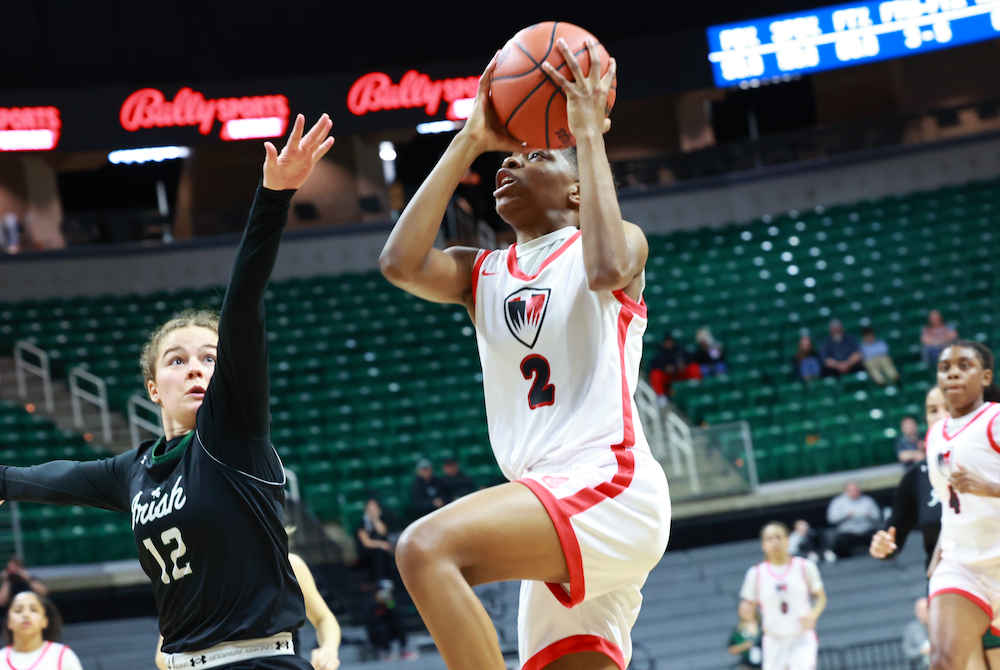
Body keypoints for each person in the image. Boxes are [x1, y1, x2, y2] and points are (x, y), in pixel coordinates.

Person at [0, 113, 335, 670]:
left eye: (211, 358)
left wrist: (273, 198)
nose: (197, 369)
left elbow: (244, 306)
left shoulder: (232, 436)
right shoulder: (130, 472)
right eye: (178, 361)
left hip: (260, 662)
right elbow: (31, 480)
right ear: (154, 388)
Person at [378, 41, 670, 670]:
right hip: (548, 497)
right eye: (507, 158)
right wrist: (468, 139)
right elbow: (398, 263)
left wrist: (587, 133)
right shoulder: (479, 273)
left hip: (607, 483)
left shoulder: (614, 242)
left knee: (424, 549)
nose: (510, 164)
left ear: (575, 192)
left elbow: (607, 266)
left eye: (536, 155)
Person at [922, 340, 1000, 670]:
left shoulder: (995, 420)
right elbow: (950, 503)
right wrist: (941, 550)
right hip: (963, 566)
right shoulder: (936, 434)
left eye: (963, 366)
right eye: (945, 368)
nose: (952, 373)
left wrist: (991, 488)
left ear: (984, 377)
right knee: (943, 662)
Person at [155, 552, 342, 670]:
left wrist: (328, 650)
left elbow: (324, 618)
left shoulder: (290, 563)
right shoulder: (199, 576)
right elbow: (161, 658)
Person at [872, 389, 947, 570]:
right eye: (933, 410)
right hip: (945, 582)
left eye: (950, 407)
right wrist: (883, 546)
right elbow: (893, 537)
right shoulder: (917, 475)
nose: (942, 416)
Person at [740, 522, 827, 670]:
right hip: (774, 639)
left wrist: (813, 615)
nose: (775, 542)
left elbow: (820, 597)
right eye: (769, 539)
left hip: (802, 636)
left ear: (788, 540)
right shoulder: (756, 574)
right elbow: (748, 606)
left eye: (778, 537)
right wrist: (750, 622)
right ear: (763, 545)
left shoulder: (805, 566)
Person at [0, 591, 81, 670]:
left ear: (45, 621)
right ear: (9, 622)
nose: (25, 614)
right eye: (18, 610)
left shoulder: (63, 656)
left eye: (33, 610)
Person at [827, 481, 881, 558]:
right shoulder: (838, 502)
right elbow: (831, 519)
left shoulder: (867, 501)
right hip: (848, 532)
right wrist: (845, 515)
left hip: (866, 530)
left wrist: (869, 515)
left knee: (879, 536)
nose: (855, 492)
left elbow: (877, 516)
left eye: (856, 490)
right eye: (852, 490)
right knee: (841, 541)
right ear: (846, 491)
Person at [649, 333, 702, 402]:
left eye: (670, 341)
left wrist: (684, 364)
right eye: (667, 341)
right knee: (655, 374)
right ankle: (661, 397)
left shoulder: (679, 349)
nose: (669, 343)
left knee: (693, 367)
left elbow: (691, 358)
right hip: (668, 376)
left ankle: (695, 387)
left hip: (681, 373)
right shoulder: (659, 352)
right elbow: (654, 364)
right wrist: (665, 368)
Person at [356, 498, 395, 587]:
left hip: (383, 549)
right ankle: (381, 579)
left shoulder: (382, 520)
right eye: (371, 508)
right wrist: (381, 544)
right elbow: (366, 542)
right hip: (367, 551)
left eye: (375, 508)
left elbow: (382, 531)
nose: (374, 510)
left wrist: (376, 519)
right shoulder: (361, 523)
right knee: (379, 551)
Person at [727, 600, 763, 670]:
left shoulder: (762, 626)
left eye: (747, 609)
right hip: (747, 666)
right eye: (742, 609)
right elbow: (731, 649)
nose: (744, 612)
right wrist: (744, 646)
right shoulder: (738, 630)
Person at [903, 598, 931, 669]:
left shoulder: (940, 626)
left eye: (928, 609)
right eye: (923, 610)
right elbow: (908, 651)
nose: (926, 613)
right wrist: (921, 651)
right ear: (916, 612)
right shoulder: (911, 629)